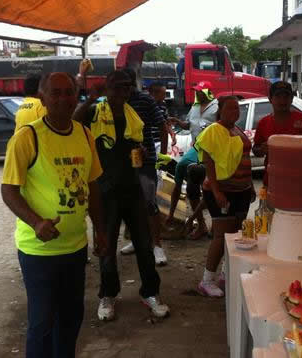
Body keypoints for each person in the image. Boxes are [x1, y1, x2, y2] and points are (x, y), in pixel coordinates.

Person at [1, 72, 108, 358]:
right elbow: (8, 190)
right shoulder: (27, 137)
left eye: (69, 92)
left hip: (75, 247)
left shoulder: (84, 134)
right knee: (42, 323)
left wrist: (100, 230)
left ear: (77, 96)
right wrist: (36, 222)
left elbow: (92, 185)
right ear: (43, 98)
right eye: (56, 93)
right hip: (39, 251)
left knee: (71, 318)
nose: (63, 99)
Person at [73, 69, 169, 322]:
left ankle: (150, 292)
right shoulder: (95, 112)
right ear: (107, 88)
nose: (123, 91)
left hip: (132, 188)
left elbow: (138, 145)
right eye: (117, 86)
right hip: (105, 190)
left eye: (127, 86)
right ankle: (108, 294)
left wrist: (144, 154)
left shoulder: (132, 114)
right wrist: (90, 99)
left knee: (144, 245)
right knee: (106, 247)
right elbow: (74, 120)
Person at [194, 95, 254, 297]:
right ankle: (206, 281)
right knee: (221, 236)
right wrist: (217, 191)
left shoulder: (237, 129)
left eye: (237, 108)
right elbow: (208, 162)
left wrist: (250, 185)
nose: (235, 112)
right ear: (220, 110)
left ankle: (225, 274)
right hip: (222, 191)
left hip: (241, 191)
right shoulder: (214, 130)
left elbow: (244, 158)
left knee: (235, 235)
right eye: (230, 108)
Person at [118, 71, 170, 266]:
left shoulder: (145, 100)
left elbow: (163, 127)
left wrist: (162, 157)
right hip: (122, 163)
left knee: (149, 203)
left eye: (126, 85)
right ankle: (136, 240)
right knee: (128, 204)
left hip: (145, 161)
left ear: (132, 84)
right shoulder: (114, 102)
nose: (123, 89)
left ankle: (157, 245)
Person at [168, 81, 218, 238]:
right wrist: (177, 122)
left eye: (200, 91)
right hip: (197, 148)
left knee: (212, 188)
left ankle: (215, 225)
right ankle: (201, 224)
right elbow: (187, 125)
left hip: (213, 149)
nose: (197, 93)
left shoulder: (217, 106)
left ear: (208, 92)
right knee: (189, 181)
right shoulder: (195, 107)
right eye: (196, 91)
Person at [252, 81, 302, 186]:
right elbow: (256, 149)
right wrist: (262, 149)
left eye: (286, 96)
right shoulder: (263, 123)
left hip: (300, 181)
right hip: (273, 181)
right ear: (270, 99)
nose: (282, 101)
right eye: (278, 96)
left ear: (292, 99)